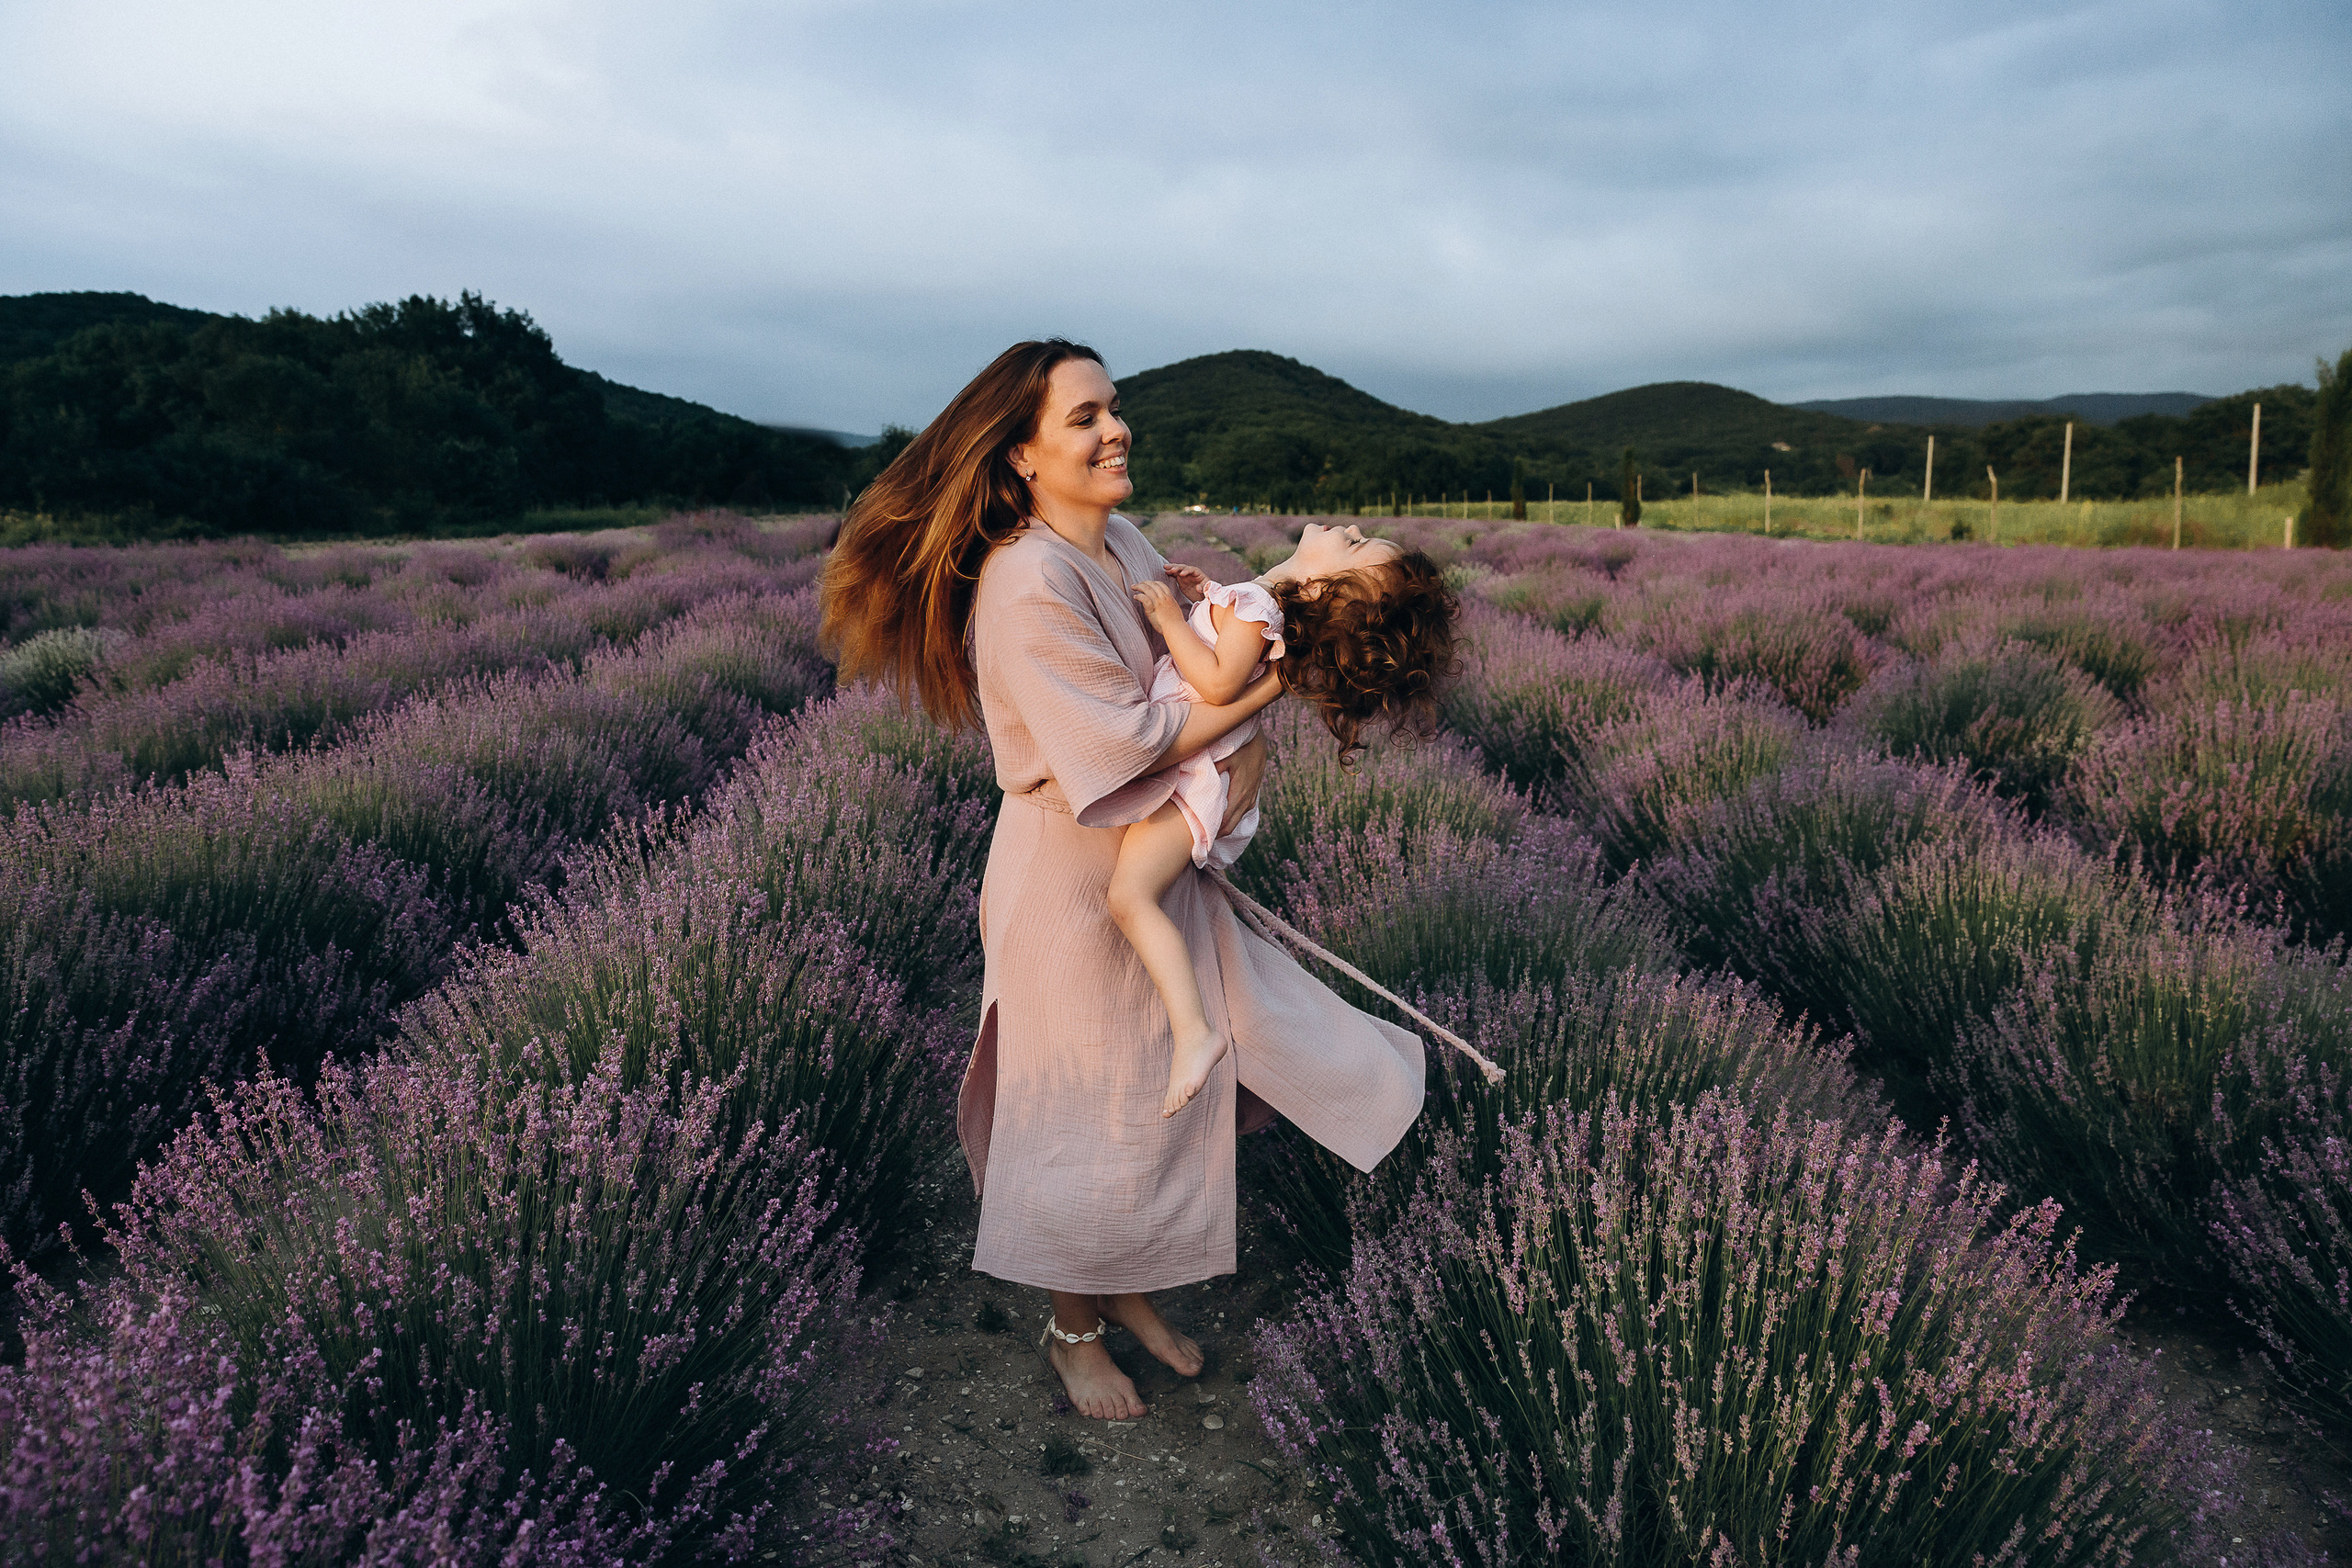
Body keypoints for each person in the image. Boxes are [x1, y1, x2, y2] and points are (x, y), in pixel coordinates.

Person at [820, 340, 1426, 1421]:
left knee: (1150, 1098)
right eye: (1085, 417)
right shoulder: (1024, 582)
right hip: (1068, 878)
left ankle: (1126, 1286)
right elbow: (1129, 736)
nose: (1116, 430)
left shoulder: (1116, 538)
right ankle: (1071, 1332)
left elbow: (1192, 644)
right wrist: (1265, 693)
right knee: (1080, 1110)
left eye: (1116, 408)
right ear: (1019, 457)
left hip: (1143, 855)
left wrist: (1272, 608)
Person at [1114, 528, 1455, 1118]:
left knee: (1130, 897)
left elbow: (1218, 684)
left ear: (1325, 587)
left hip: (1194, 770)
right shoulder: (1255, 603)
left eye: (1354, 546)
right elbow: (1228, 651)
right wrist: (1207, 599)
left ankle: (1195, 1031)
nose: (1349, 529)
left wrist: (1173, 619)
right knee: (1140, 896)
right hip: (1201, 759)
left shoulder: (1258, 609)